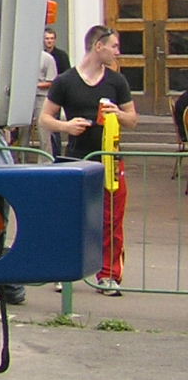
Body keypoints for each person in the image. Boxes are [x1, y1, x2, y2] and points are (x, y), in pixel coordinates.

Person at [39, 25, 137, 296]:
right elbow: (45, 118)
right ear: (98, 46)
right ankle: (65, 272)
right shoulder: (66, 81)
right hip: (76, 159)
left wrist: (118, 112)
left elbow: (133, 119)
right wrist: (66, 126)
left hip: (111, 159)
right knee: (72, 217)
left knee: (111, 219)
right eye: (114, 46)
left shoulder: (117, 81)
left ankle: (108, 275)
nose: (118, 52)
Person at [42, 26, 71, 156]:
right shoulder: (39, 56)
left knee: (55, 126)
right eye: (47, 38)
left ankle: (56, 154)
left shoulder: (61, 56)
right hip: (40, 95)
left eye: (51, 38)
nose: (49, 41)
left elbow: (66, 75)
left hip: (55, 95)